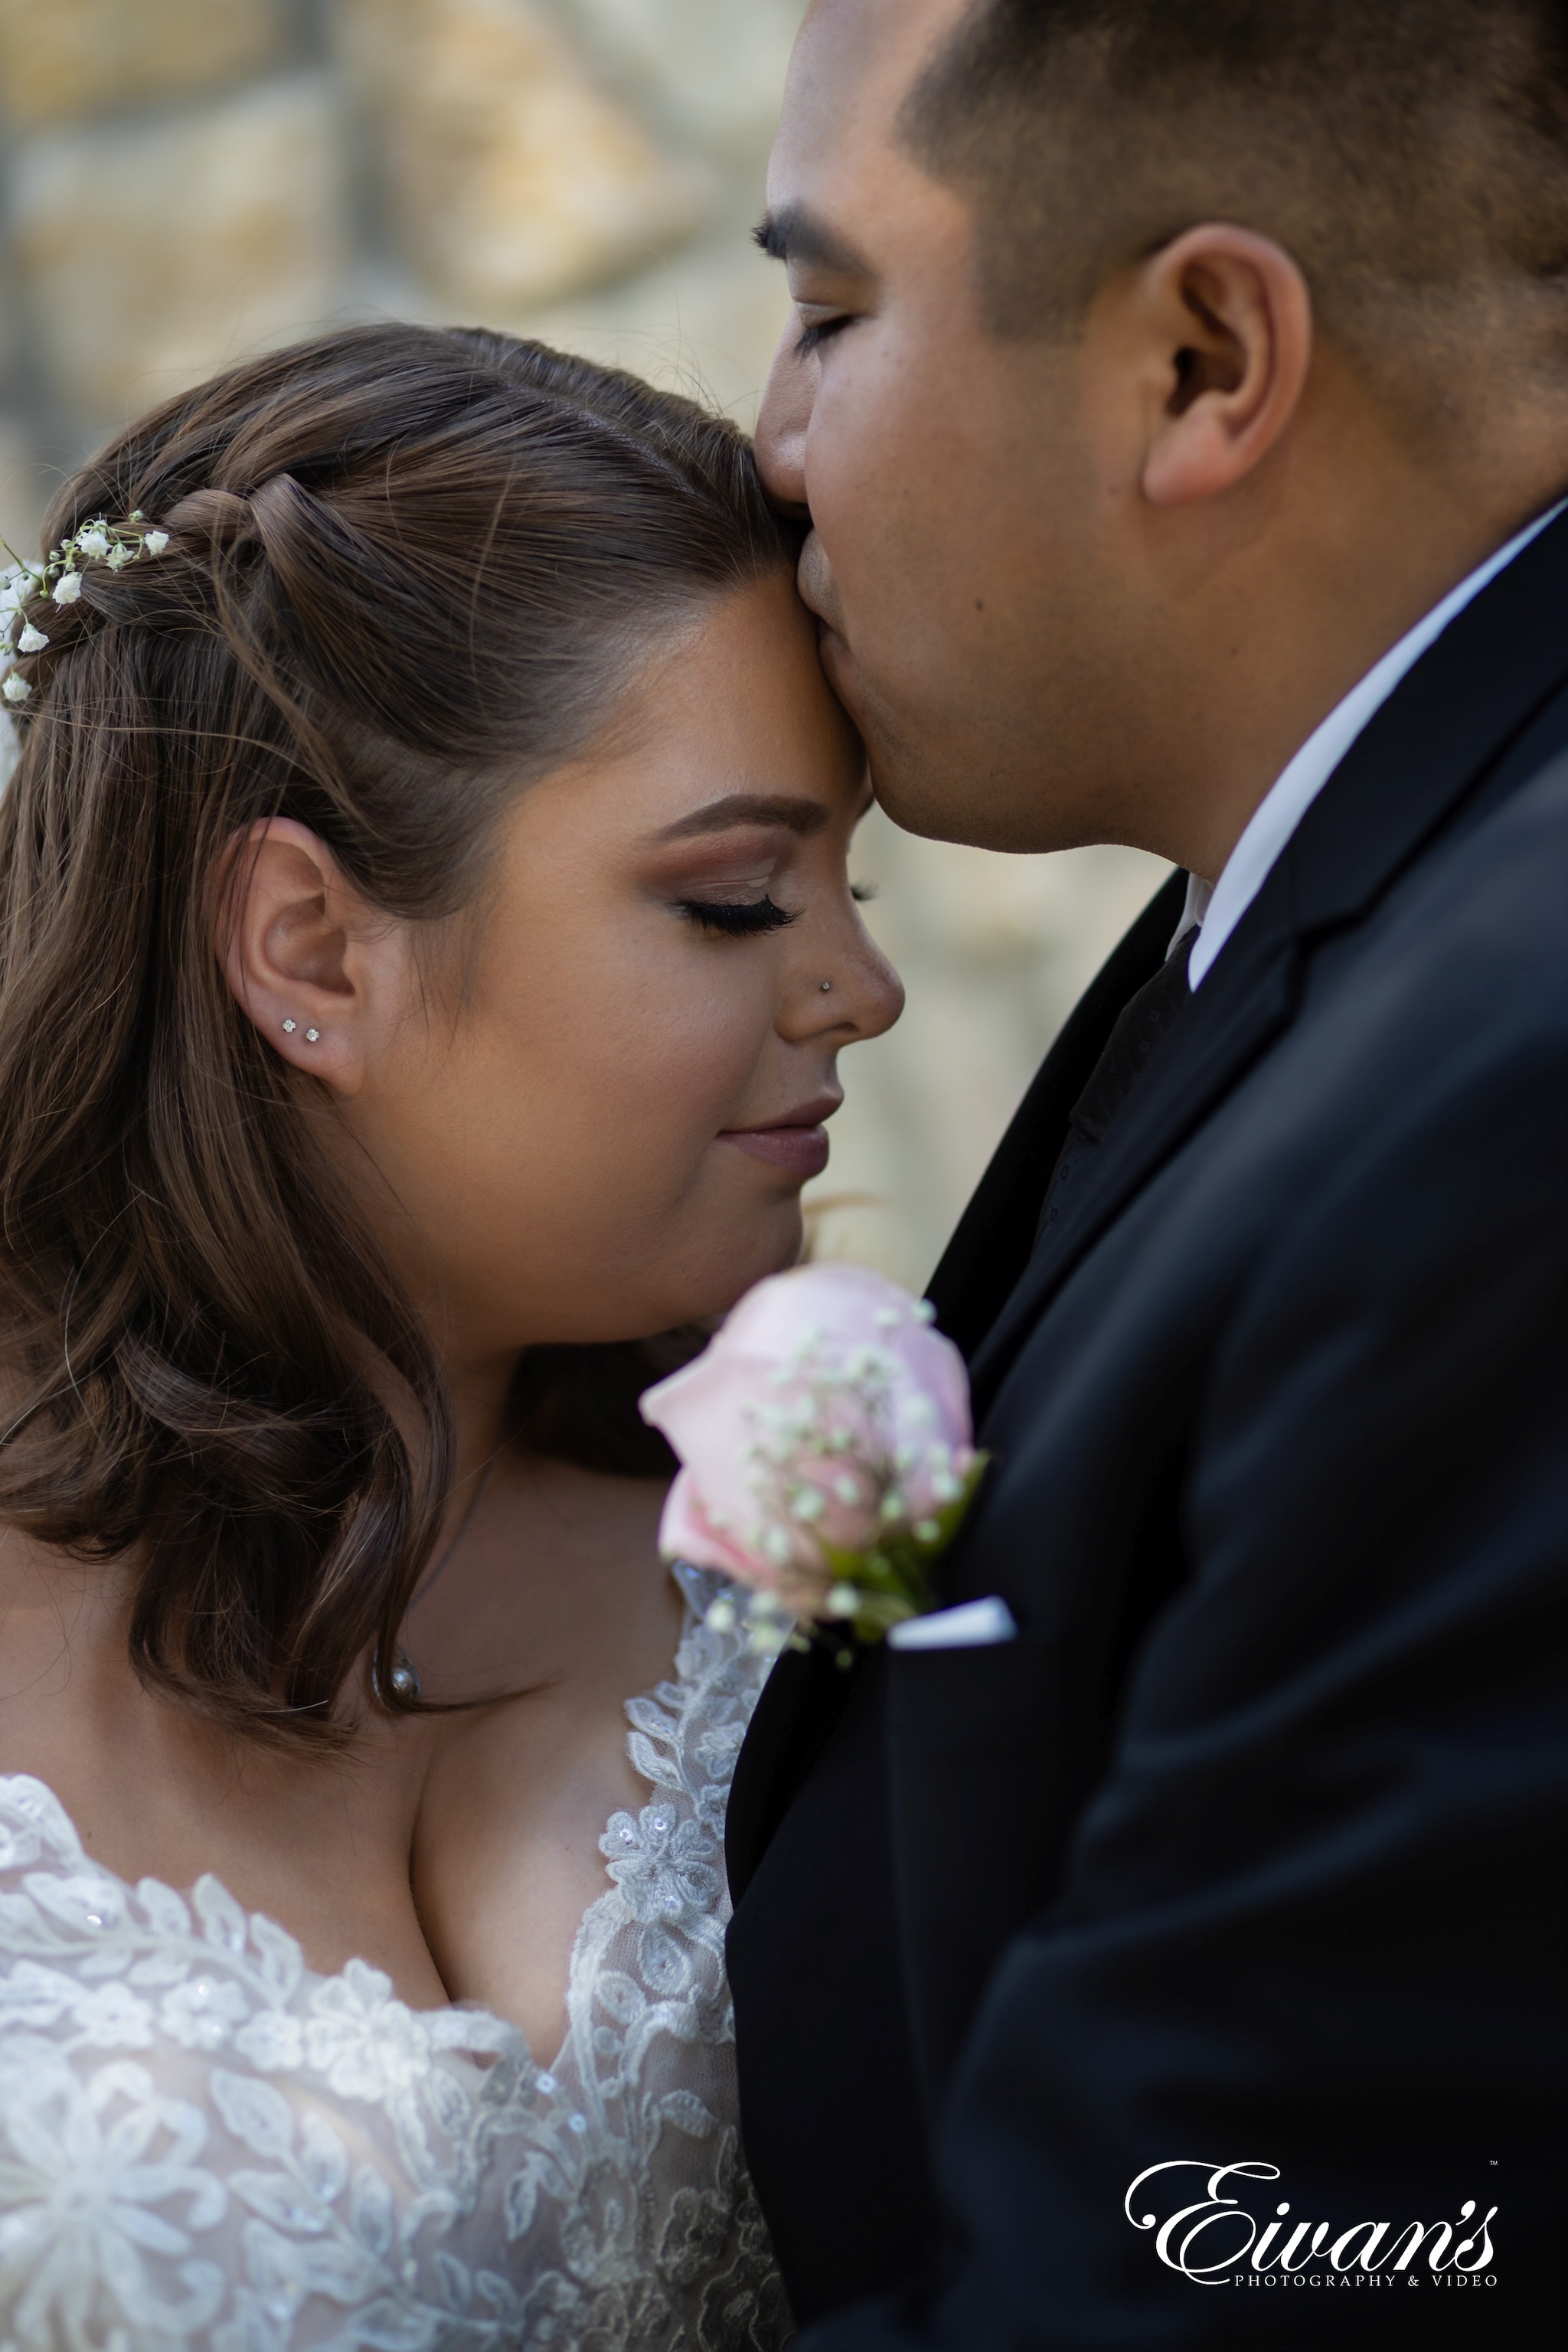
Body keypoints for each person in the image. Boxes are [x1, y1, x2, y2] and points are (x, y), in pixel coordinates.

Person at [724, 1, 1568, 2341]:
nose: (770, 445)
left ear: (1204, 361)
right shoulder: (1339, 895)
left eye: (827, 315)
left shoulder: (1510, 1100)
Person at [0, 321, 901, 2349]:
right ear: (311, 945)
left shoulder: (820, 1508)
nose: (860, 985)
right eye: (744, 900)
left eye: (853, 877)